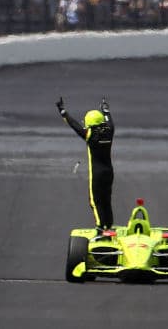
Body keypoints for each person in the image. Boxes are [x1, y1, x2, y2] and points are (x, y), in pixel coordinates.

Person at [56, 96, 114, 233]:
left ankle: (100, 227)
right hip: (109, 172)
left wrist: (63, 112)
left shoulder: (90, 135)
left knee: (95, 200)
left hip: (97, 173)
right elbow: (109, 120)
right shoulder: (110, 131)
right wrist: (105, 110)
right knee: (106, 198)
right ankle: (109, 225)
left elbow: (74, 125)